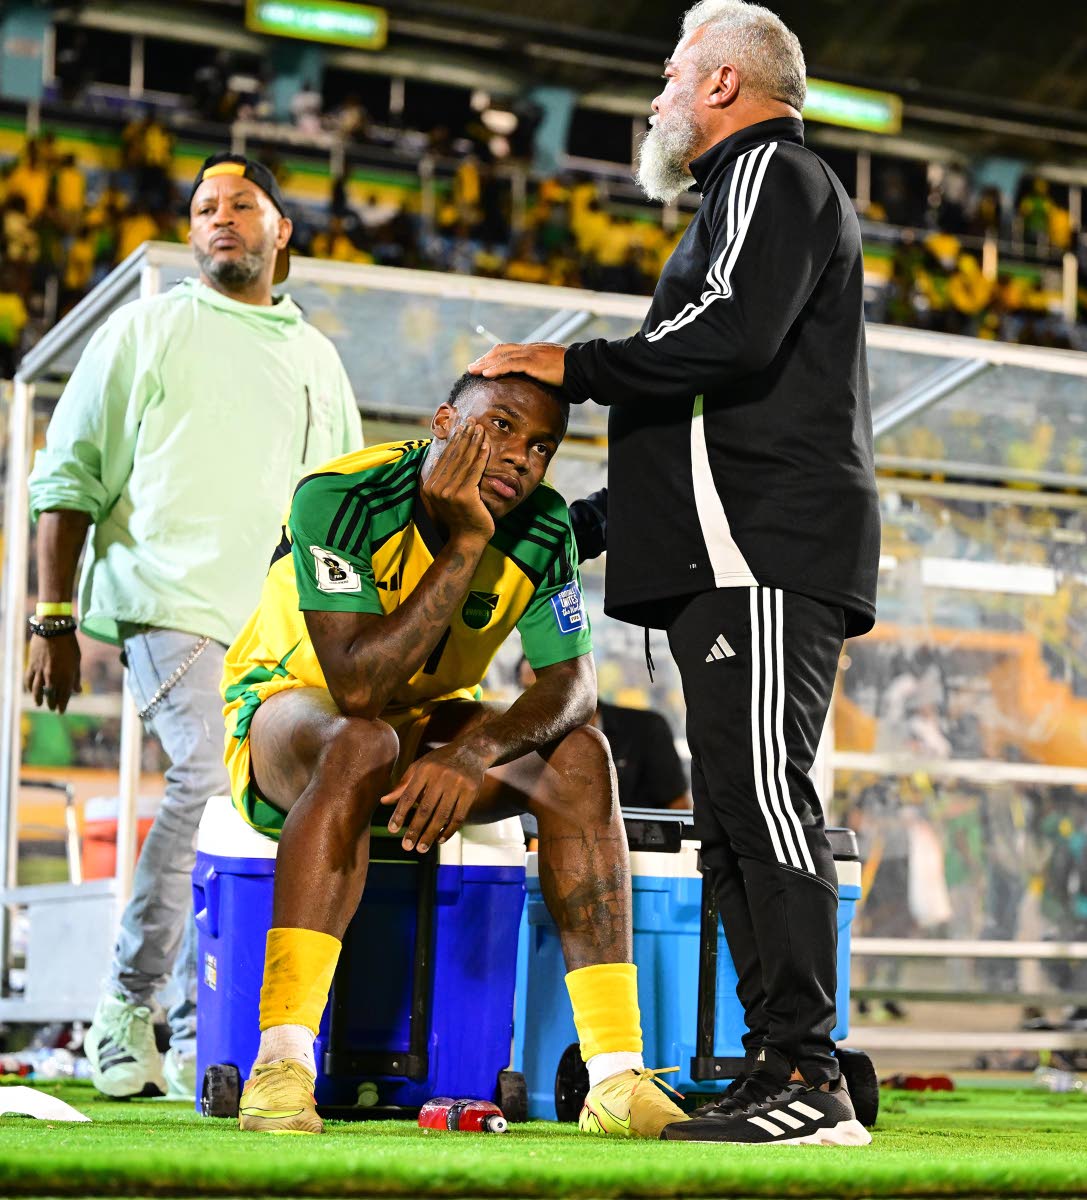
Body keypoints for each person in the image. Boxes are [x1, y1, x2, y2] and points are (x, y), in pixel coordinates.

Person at [469, 0, 879, 1146]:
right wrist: (588, 526)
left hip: (763, 554)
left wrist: (574, 362)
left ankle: (808, 1079)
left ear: (721, 88)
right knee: (737, 815)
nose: (655, 97)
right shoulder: (733, 208)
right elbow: (704, 417)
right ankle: (774, 1065)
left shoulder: (768, 176)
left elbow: (730, 339)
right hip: (727, 549)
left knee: (767, 805)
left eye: (669, 75)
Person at [222, 372, 688, 1139]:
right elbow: (359, 687)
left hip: (426, 725)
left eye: (540, 447)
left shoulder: (542, 527)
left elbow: (573, 689)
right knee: (361, 738)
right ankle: (281, 1064)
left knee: (583, 758)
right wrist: (468, 539)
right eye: (498, 427)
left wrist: (475, 753)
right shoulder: (341, 496)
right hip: (291, 712)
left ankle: (613, 1075)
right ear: (444, 421)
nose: (519, 459)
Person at [26, 152, 363, 1101]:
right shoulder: (147, 328)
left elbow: (335, 517)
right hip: (166, 601)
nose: (222, 218)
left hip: (277, 631)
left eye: (242, 204)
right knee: (207, 771)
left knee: (279, 803)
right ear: (191, 231)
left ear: (279, 229)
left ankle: (213, 1023)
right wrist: (53, 616)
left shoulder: (315, 358)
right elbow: (68, 477)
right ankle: (132, 1007)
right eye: (205, 207)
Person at [517, 656, 690, 810]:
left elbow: (678, 809)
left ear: (581, 683)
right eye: (526, 691)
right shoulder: (531, 746)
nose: (534, 703)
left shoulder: (647, 729)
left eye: (544, 690)